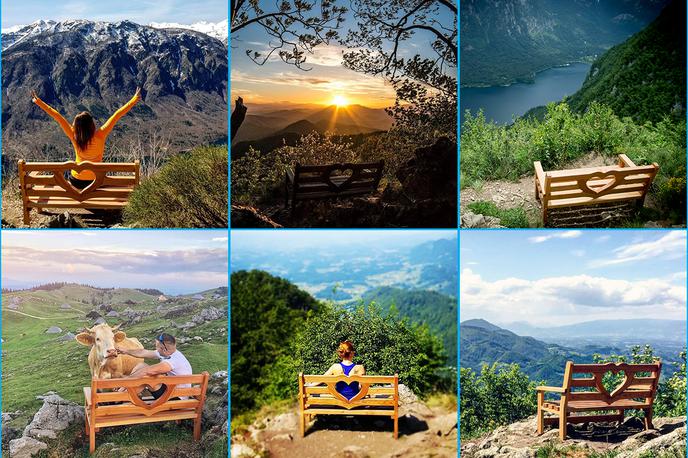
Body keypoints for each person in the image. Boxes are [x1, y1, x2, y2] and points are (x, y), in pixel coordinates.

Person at [31, 88, 141, 189]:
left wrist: (39, 102)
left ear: (76, 126)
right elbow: (117, 114)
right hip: (96, 181)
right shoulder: (101, 135)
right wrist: (134, 99)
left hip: (76, 181)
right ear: (91, 124)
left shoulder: (73, 135)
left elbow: (57, 116)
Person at [113, 333, 192, 399]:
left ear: (163, 349)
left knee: (147, 378)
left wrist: (123, 382)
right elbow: (143, 352)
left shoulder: (173, 361)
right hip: (170, 390)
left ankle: (119, 397)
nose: (155, 348)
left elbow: (147, 371)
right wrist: (125, 350)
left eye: (156, 346)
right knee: (142, 365)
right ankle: (121, 393)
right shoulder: (168, 352)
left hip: (176, 398)